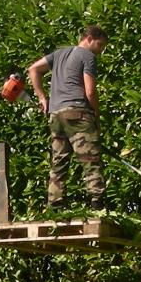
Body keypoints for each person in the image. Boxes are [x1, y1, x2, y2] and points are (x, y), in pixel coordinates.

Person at [26, 24, 108, 210]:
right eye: (100, 45)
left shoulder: (59, 54)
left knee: (59, 161)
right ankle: (97, 204)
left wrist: (42, 98)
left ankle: (55, 205)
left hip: (55, 114)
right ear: (89, 39)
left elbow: (33, 69)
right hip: (78, 112)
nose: (100, 51)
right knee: (90, 159)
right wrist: (96, 115)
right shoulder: (88, 56)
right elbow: (90, 91)